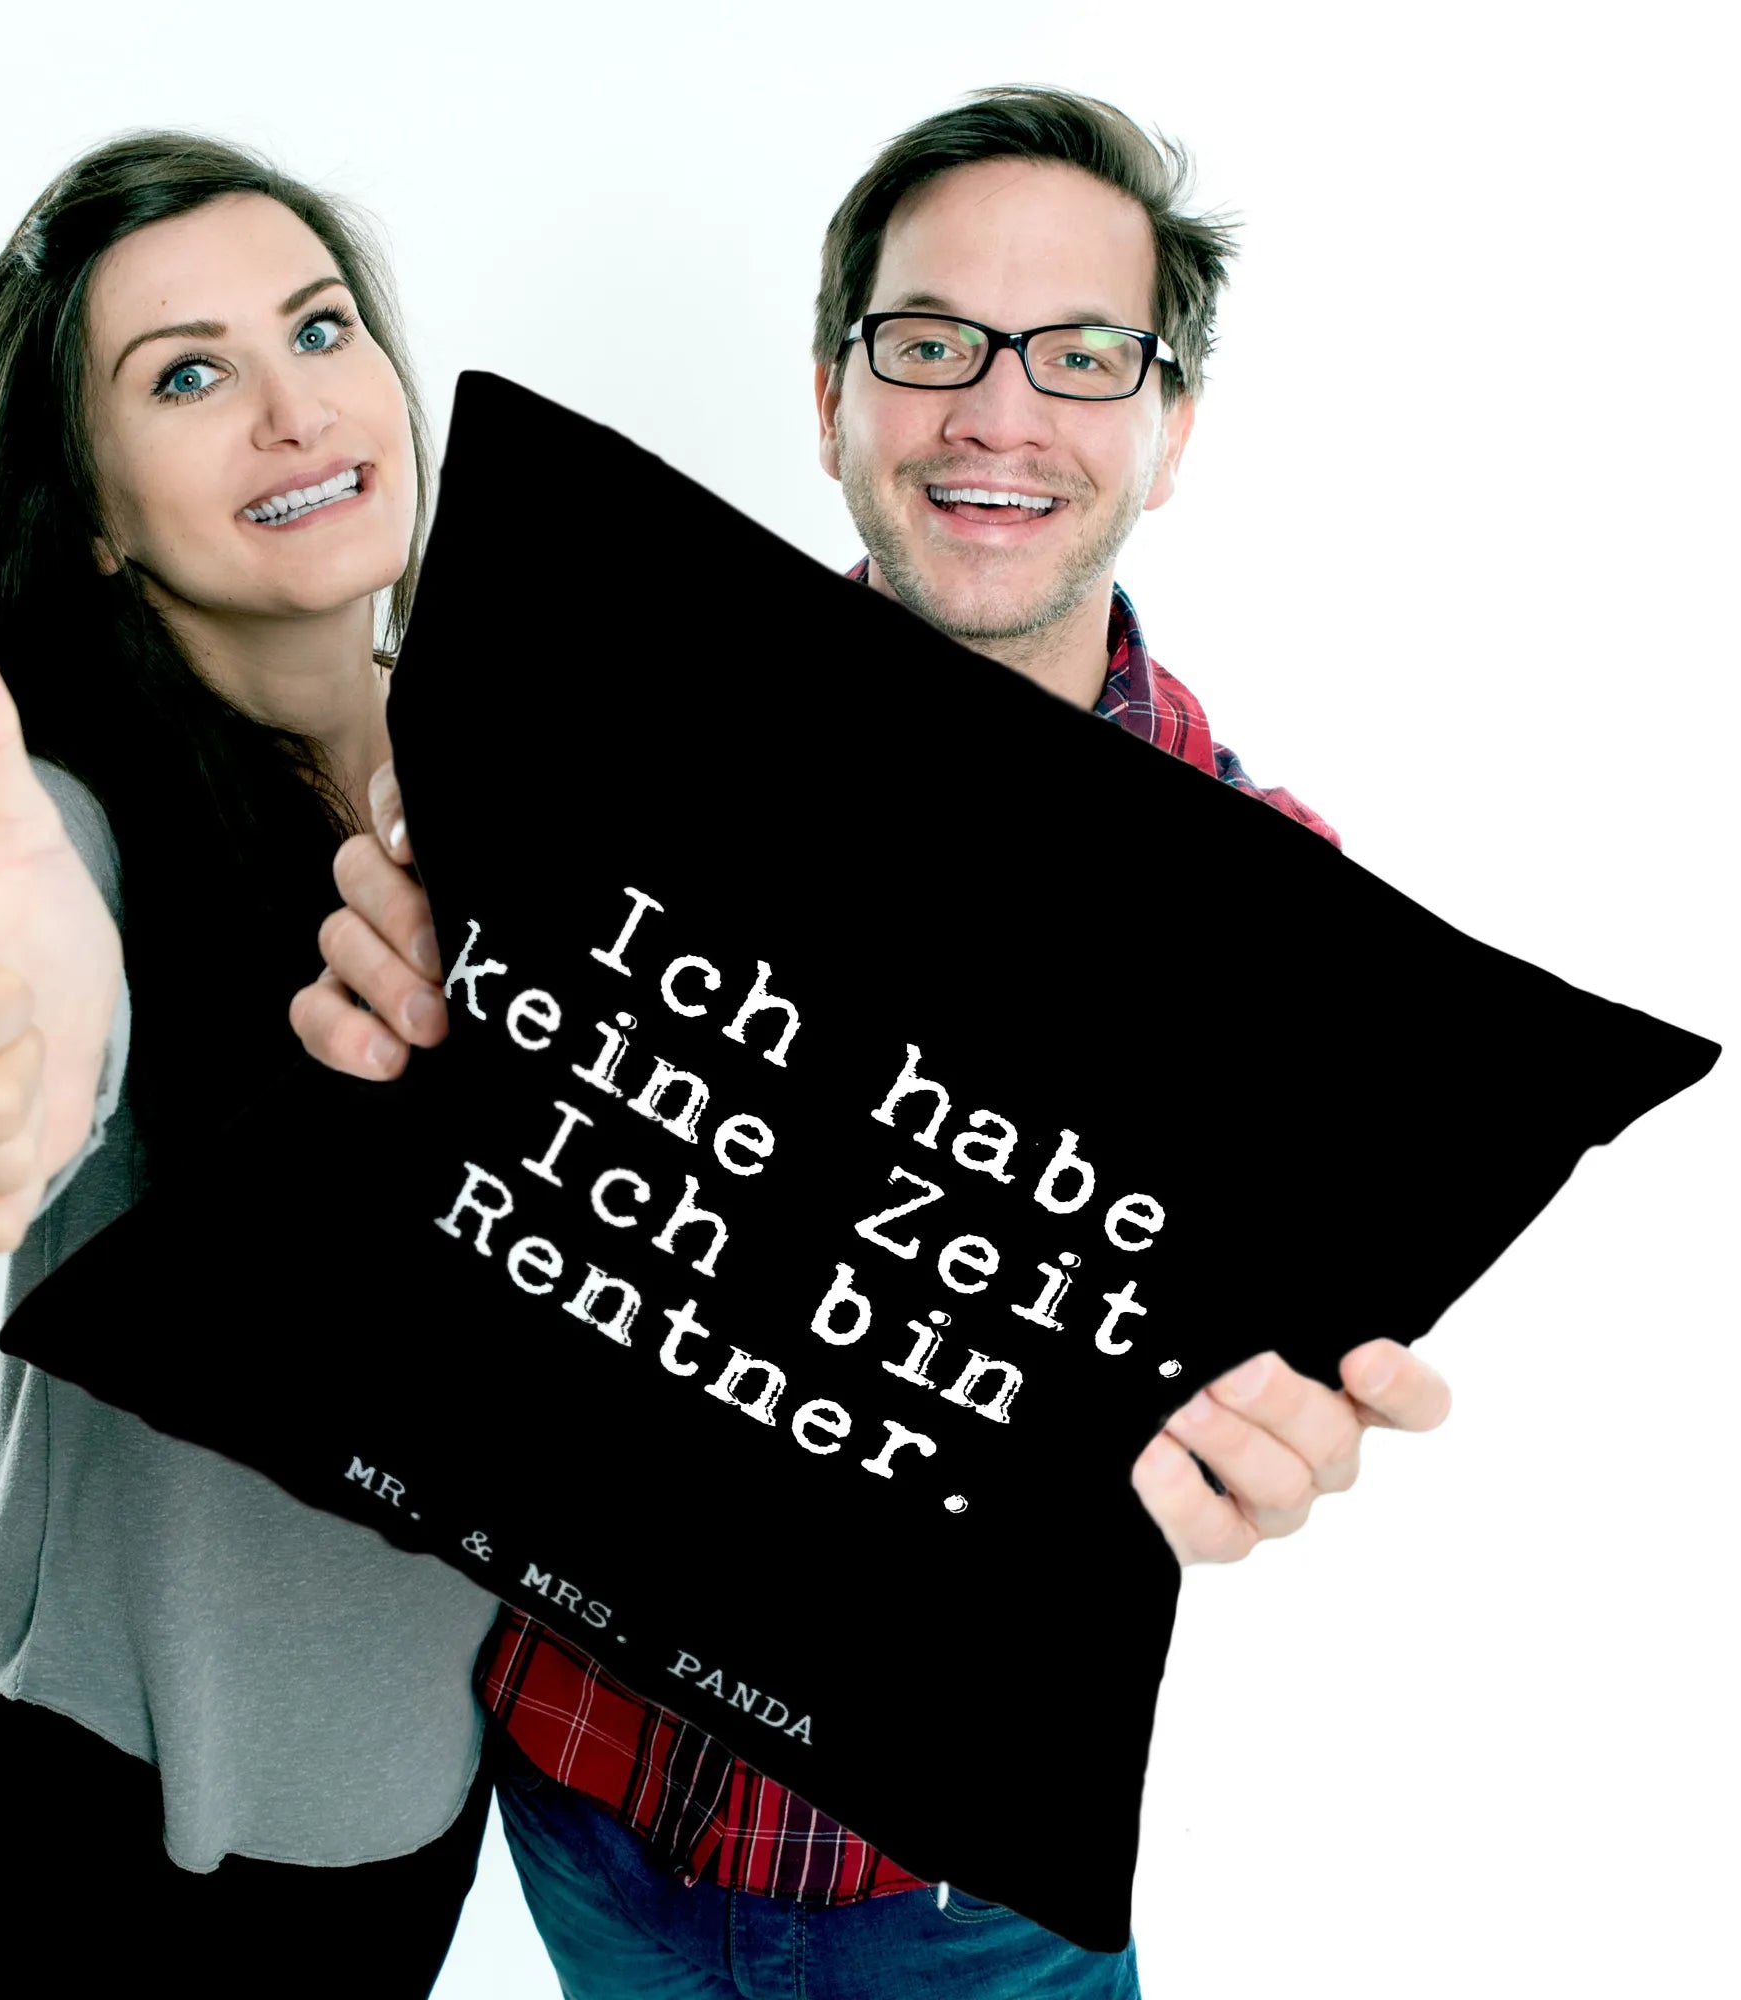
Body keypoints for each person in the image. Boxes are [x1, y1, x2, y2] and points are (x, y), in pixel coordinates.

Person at [295, 86, 1455, 1999]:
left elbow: (1217, 1383)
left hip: (956, 1906)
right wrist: (388, 1052)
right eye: (931, 344)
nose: (999, 412)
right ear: (833, 398)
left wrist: (1261, 1442)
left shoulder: (1292, 928)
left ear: (1168, 433)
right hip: (570, 1798)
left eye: (1084, 354)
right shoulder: (612, 756)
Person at [0, 134, 492, 1996]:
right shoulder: (62, 807)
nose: (292, 408)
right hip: (131, 1800)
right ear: (94, 513)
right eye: (186, 376)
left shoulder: (503, 773)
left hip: (425, 1776)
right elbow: (3, 924)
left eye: (319, 329)